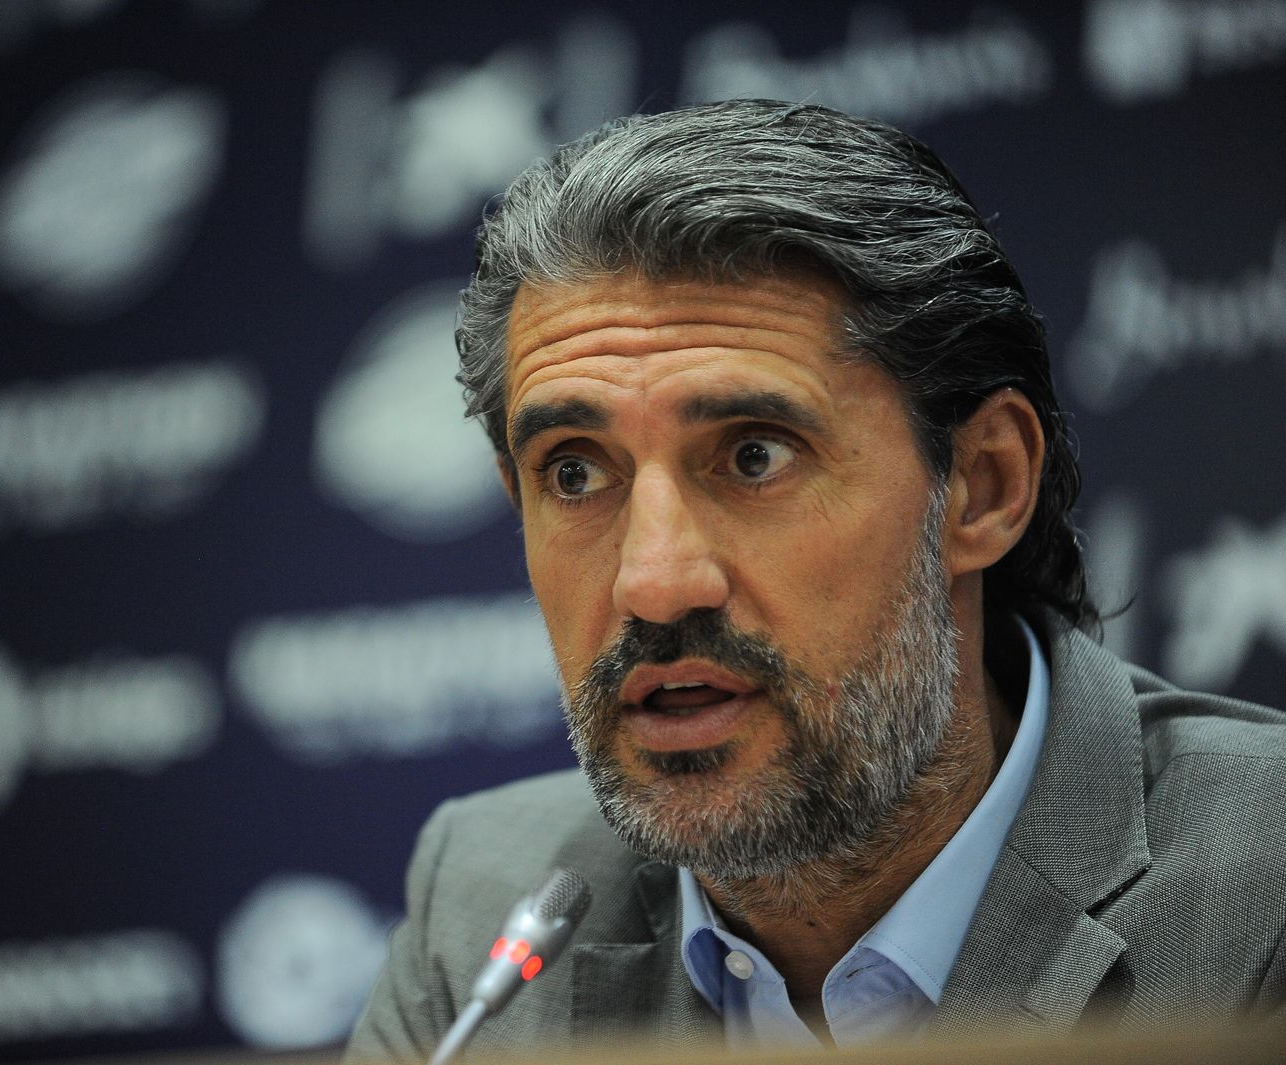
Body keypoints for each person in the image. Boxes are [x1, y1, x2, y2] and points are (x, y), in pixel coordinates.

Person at [345, 99, 1286, 1061]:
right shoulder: (482, 918)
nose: (656, 583)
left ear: (982, 486)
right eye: (575, 472)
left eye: (754, 456)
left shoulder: (1267, 885)